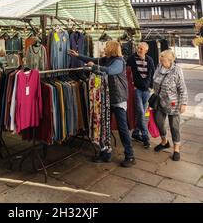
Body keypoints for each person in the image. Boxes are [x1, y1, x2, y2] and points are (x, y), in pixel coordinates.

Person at [69, 40, 136, 168]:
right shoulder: (107, 59)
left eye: (106, 47)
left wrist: (93, 67)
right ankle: (106, 153)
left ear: (112, 49)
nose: (104, 48)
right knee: (104, 128)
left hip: (119, 100)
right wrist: (78, 56)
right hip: (108, 99)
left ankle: (130, 155)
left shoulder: (119, 61)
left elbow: (109, 71)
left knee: (122, 129)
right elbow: (93, 59)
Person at [152, 49, 188, 161]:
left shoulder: (177, 70)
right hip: (159, 101)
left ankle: (176, 149)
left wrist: (184, 103)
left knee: (174, 126)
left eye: (163, 57)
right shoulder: (159, 67)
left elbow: (182, 87)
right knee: (159, 122)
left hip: (173, 102)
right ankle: (164, 142)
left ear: (169, 59)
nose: (160, 58)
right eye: (161, 56)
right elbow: (155, 80)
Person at [126, 42, 155, 148]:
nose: (139, 49)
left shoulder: (150, 60)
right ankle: (145, 137)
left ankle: (135, 132)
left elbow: (153, 73)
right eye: (138, 48)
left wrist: (151, 86)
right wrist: (131, 86)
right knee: (141, 112)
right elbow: (127, 73)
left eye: (141, 48)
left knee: (141, 113)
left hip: (146, 90)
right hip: (136, 90)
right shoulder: (131, 59)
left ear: (146, 50)